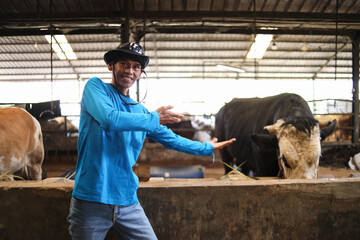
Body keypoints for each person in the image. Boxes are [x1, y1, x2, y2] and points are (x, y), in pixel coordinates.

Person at [67, 42, 236, 240]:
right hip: (91, 200)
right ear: (111, 65)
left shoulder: (141, 112)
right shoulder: (95, 88)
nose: (130, 70)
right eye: (124, 63)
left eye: (136, 67)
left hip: (127, 201)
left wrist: (206, 147)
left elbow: (171, 139)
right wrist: (153, 118)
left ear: (140, 73)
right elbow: (109, 119)